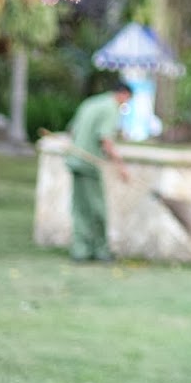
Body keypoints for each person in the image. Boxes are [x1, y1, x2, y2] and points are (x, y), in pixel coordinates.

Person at [65, 76, 132, 263]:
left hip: (75, 161)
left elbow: (71, 131)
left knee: (80, 209)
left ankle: (80, 251)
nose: (125, 104)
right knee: (97, 209)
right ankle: (101, 251)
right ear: (123, 94)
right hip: (89, 165)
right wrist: (121, 167)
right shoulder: (111, 107)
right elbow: (106, 140)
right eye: (127, 100)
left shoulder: (90, 103)